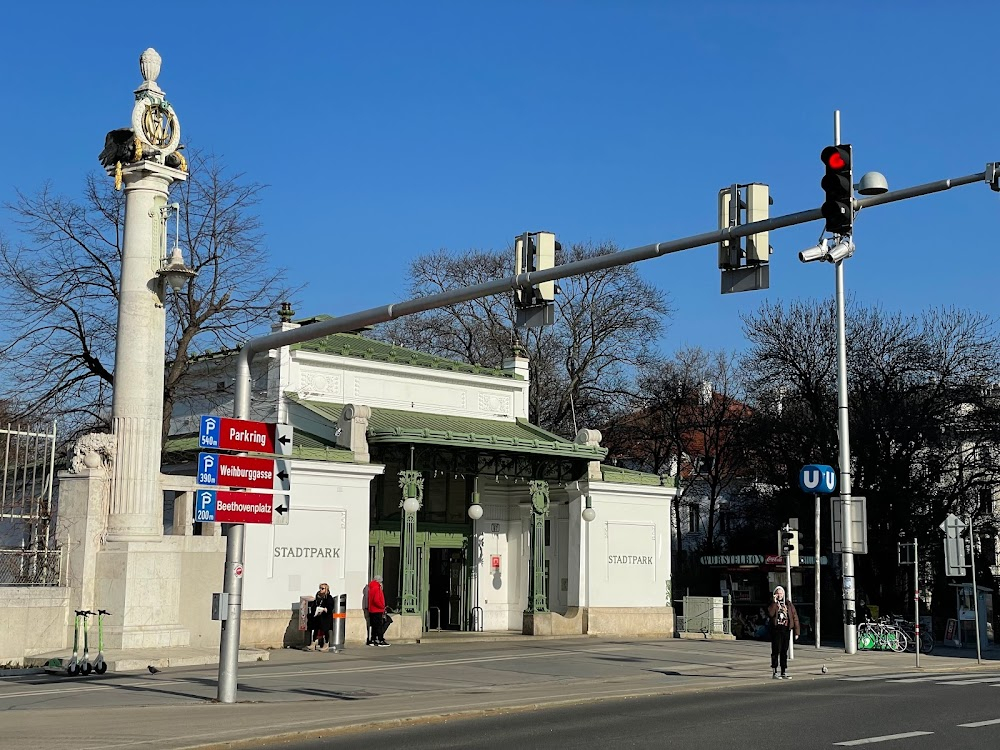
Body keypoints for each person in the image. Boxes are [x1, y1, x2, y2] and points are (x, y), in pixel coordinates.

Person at [767, 585, 799, 679]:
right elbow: (770, 613)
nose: (779, 595)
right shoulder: (772, 604)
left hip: (786, 629)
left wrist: (797, 631)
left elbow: (794, 617)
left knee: (784, 651)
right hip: (776, 630)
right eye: (778, 593)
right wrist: (774, 602)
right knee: (776, 650)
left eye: (781, 593)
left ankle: (783, 671)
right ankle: (775, 671)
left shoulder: (788, 604)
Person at [307, 583, 335, 651]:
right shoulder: (318, 596)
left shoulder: (328, 597)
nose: (320, 590)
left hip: (326, 617)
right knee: (316, 629)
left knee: (325, 630)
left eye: (322, 588)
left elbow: (331, 606)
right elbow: (314, 605)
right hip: (318, 616)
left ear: (326, 589)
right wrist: (316, 609)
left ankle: (326, 644)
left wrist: (326, 609)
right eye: (320, 588)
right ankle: (313, 644)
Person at [367, 574, 390, 647]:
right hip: (377, 610)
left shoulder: (371, 587)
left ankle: (373, 640)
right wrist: (382, 606)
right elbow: (376, 600)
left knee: (374, 625)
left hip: (372, 610)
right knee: (379, 625)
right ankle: (380, 640)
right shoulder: (377, 588)